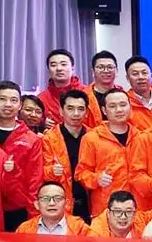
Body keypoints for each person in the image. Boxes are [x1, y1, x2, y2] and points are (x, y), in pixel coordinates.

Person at [0, 80, 43, 231]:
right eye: (2, 99)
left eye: (13, 100)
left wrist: (33, 216)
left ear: (20, 105)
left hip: (17, 210)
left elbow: (35, 181)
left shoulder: (31, 139)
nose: (8, 104)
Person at [74, 88, 136, 219]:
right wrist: (97, 179)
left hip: (135, 208)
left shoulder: (140, 136)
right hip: (105, 209)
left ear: (130, 107)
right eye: (112, 106)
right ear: (104, 110)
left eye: (123, 105)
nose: (119, 110)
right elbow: (81, 173)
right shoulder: (92, 138)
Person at [40, 90, 91, 221]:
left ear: (86, 112)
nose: (76, 113)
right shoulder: (49, 138)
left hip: (90, 201)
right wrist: (52, 171)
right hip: (61, 203)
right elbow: (40, 172)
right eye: (70, 108)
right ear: (61, 111)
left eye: (81, 109)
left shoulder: (94, 136)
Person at [16, 181, 91, 236]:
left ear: (66, 203)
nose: (51, 203)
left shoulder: (80, 228)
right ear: (37, 205)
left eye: (57, 198)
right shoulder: (24, 229)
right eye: (45, 199)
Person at [39, 49, 82, 128]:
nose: (59, 68)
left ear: (72, 68)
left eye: (63, 64)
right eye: (53, 65)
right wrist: (41, 124)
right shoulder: (41, 99)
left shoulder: (87, 92)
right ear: (48, 70)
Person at [82, 50, 120, 127]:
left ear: (116, 71)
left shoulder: (123, 95)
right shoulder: (83, 97)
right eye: (101, 67)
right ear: (93, 72)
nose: (106, 71)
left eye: (110, 67)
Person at [124, 55, 152, 131]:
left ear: (151, 76)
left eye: (144, 73)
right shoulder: (124, 103)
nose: (141, 77)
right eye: (135, 74)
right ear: (128, 78)